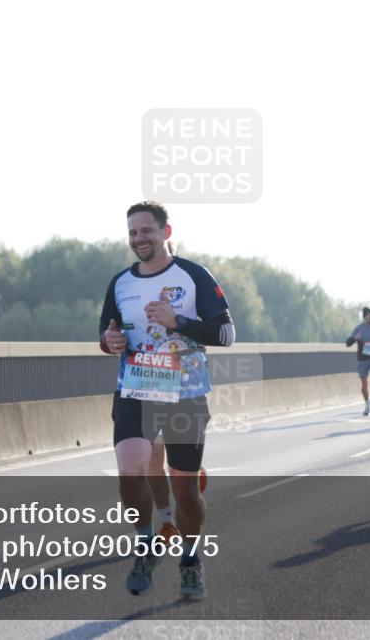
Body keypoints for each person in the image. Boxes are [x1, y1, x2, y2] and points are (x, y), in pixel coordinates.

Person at [100, 201, 235, 599]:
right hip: (136, 388)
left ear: (166, 232)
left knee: (185, 491)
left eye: (146, 231)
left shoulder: (193, 275)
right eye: (132, 232)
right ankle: (145, 545)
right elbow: (106, 333)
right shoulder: (120, 283)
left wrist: (179, 322)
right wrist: (110, 342)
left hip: (185, 392)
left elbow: (226, 334)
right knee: (130, 472)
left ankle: (191, 559)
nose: (139, 238)